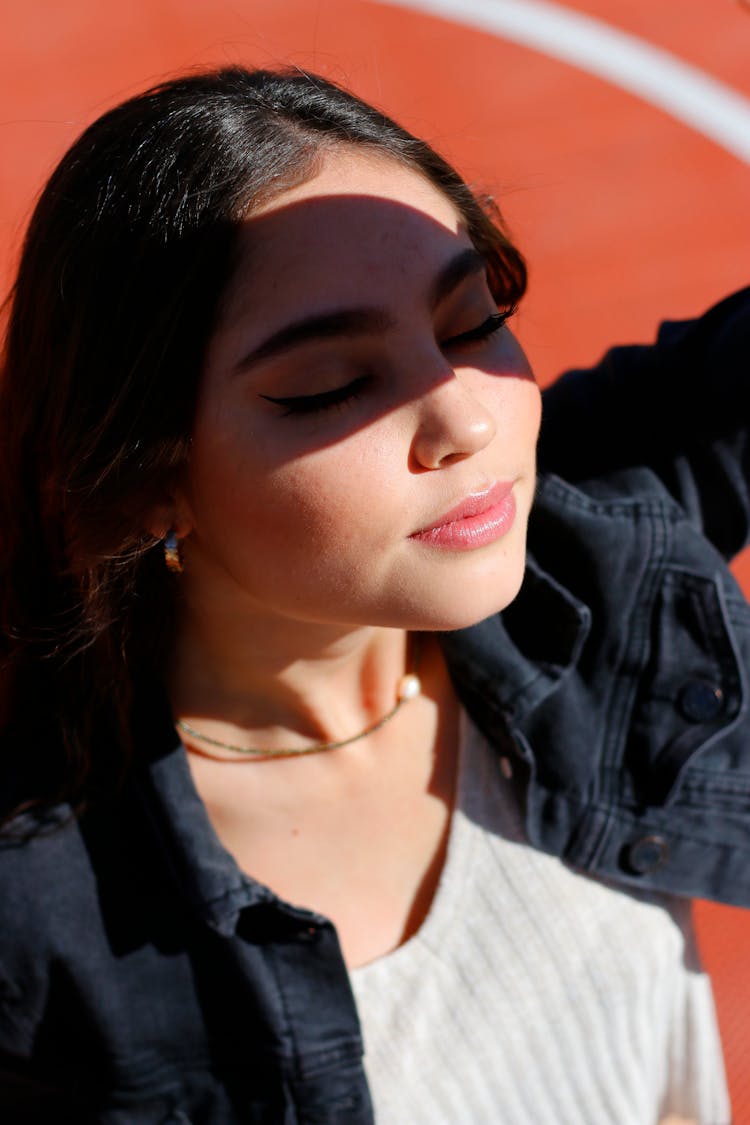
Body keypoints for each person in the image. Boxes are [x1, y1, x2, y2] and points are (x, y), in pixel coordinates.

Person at [0, 65, 745, 1124]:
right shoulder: (40, 903)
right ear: (145, 482)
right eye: (332, 388)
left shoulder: (589, 543)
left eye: (474, 320)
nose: (467, 424)